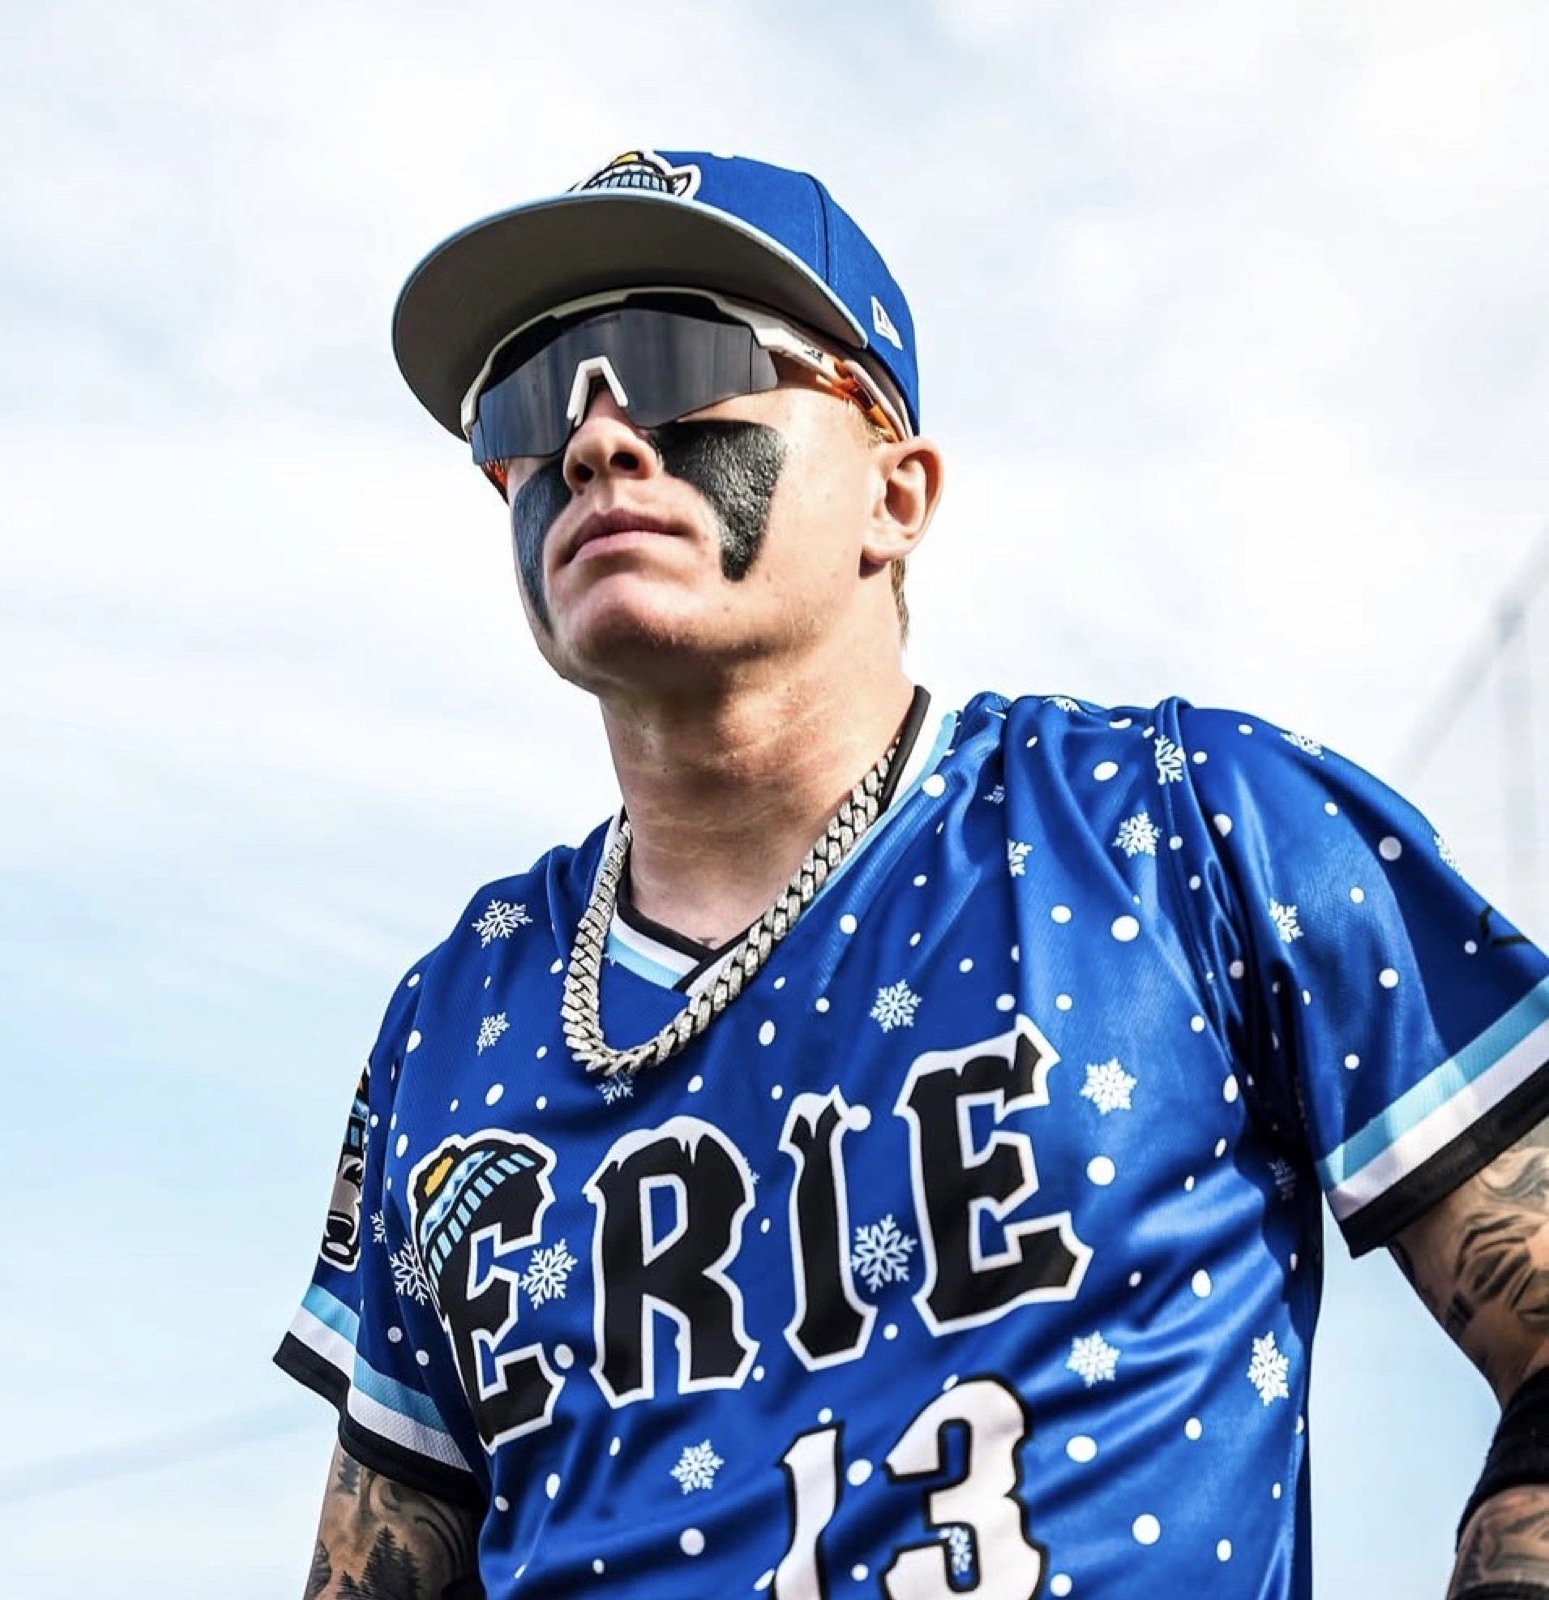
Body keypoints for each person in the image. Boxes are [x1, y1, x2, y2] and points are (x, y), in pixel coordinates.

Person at [277, 149, 1549, 1600]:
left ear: (897, 490)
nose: (595, 440)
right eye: (530, 399)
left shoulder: (1194, 832)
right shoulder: (451, 1023)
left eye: (676, 357)